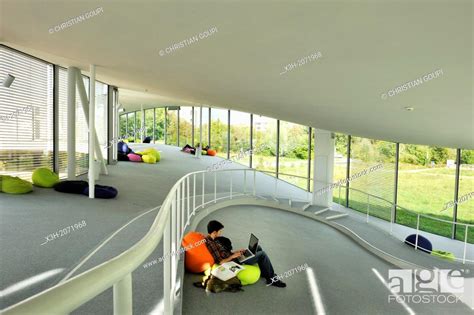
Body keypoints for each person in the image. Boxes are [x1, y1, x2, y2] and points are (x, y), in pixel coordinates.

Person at [205, 220, 286, 288]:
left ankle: (266, 273)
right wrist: (233, 256)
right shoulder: (211, 244)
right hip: (233, 262)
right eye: (220, 231)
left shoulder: (214, 239)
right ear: (215, 232)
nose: (221, 232)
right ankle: (271, 279)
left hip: (233, 257)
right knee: (262, 254)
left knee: (258, 247)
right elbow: (221, 262)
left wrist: (236, 252)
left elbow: (224, 253)